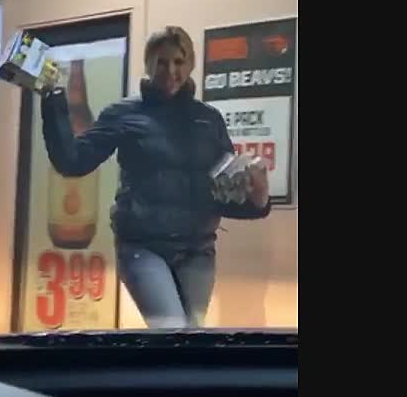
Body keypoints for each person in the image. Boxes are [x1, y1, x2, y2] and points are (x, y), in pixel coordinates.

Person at [40, 26, 271, 329]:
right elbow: (73, 162)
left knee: (191, 338)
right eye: (162, 62)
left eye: (179, 62)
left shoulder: (208, 119)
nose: (171, 71)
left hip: (198, 251)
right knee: (171, 331)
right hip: (142, 247)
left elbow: (221, 196)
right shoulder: (123, 114)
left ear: (190, 65)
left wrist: (259, 199)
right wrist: (53, 101)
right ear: (148, 64)